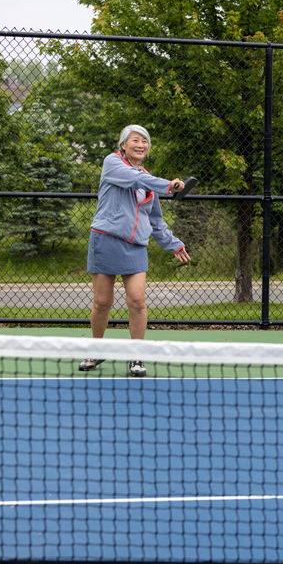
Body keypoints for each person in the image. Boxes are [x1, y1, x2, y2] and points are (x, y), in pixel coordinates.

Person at [79, 124, 191, 377]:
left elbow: (156, 221)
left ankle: (136, 356)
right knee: (102, 302)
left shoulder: (149, 181)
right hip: (105, 239)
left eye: (145, 141)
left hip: (135, 245)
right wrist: (169, 184)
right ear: (123, 145)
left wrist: (174, 244)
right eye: (135, 140)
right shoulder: (113, 163)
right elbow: (135, 178)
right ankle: (96, 349)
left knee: (137, 301)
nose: (141, 145)